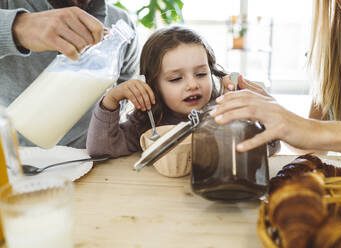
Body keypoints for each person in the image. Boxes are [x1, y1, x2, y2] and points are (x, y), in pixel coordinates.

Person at [86, 26, 280, 157]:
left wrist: (261, 110)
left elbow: (270, 147)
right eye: (176, 79)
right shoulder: (145, 124)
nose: (192, 85)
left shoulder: (224, 112)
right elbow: (101, 150)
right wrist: (111, 99)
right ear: (153, 85)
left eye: (201, 74)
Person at [211, 0, 341, 157]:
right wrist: (274, 114)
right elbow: (315, 149)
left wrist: (310, 129)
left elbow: (313, 133)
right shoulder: (335, 48)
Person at [0, 0, 139, 148]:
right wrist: (18, 26)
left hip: (88, 159)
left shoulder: (121, 22)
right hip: (14, 155)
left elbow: (121, 94)